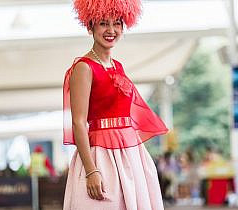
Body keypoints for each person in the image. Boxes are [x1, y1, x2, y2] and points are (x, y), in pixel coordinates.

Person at [62, 0, 169, 209]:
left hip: (131, 154)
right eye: (103, 23)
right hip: (100, 156)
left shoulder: (117, 66)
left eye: (117, 23)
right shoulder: (83, 68)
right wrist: (91, 170)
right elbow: (78, 123)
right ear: (90, 25)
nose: (111, 30)